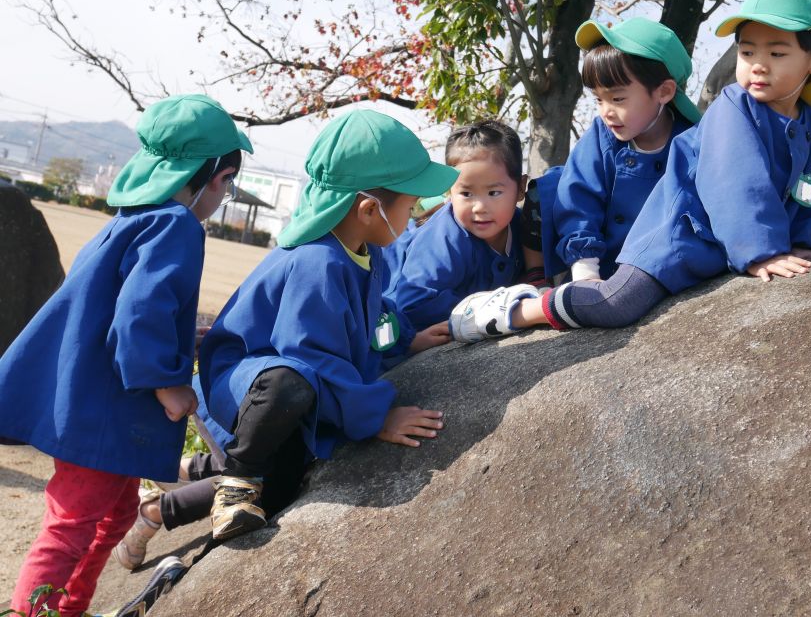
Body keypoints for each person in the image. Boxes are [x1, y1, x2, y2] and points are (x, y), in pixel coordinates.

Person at [452, 0, 811, 341]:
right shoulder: (734, 106)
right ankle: (511, 309)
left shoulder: (809, 122)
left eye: (777, 53)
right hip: (677, 237)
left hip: (715, 247)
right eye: (747, 51)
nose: (758, 65)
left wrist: (800, 241)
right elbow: (736, 183)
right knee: (615, 303)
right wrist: (762, 252)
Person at [0, 94, 253, 617]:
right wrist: (168, 380)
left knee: (113, 517)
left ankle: (67, 608)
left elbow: (121, 306)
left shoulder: (132, 217)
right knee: (73, 521)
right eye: (227, 182)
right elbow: (140, 315)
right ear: (210, 175)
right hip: (106, 410)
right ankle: (35, 611)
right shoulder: (177, 225)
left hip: (88, 397)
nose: (224, 194)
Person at [194, 108, 457, 543]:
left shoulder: (356, 252)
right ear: (370, 209)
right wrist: (377, 419)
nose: (414, 215)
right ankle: (236, 484)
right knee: (290, 381)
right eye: (409, 205)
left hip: (292, 384)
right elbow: (309, 354)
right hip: (251, 386)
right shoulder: (317, 261)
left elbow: (374, 316)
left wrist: (408, 341)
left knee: (281, 491)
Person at [520, 17, 701, 284]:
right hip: (603, 261)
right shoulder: (602, 136)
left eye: (618, 98)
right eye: (598, 99)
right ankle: (537, 279)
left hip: (664, 260)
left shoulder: (693, 141)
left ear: (664, 91)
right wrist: (585, 269)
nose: (606, 111)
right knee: (552, 185)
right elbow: (578, 199)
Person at [385, 119, 527, 331]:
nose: (479, 207)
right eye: (466, 193)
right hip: (387, 321)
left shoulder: (522, 228)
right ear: (448, 191)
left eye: (494, 193)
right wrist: (485, 307)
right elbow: (414, 303)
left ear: (521, 188)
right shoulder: (444, 238)